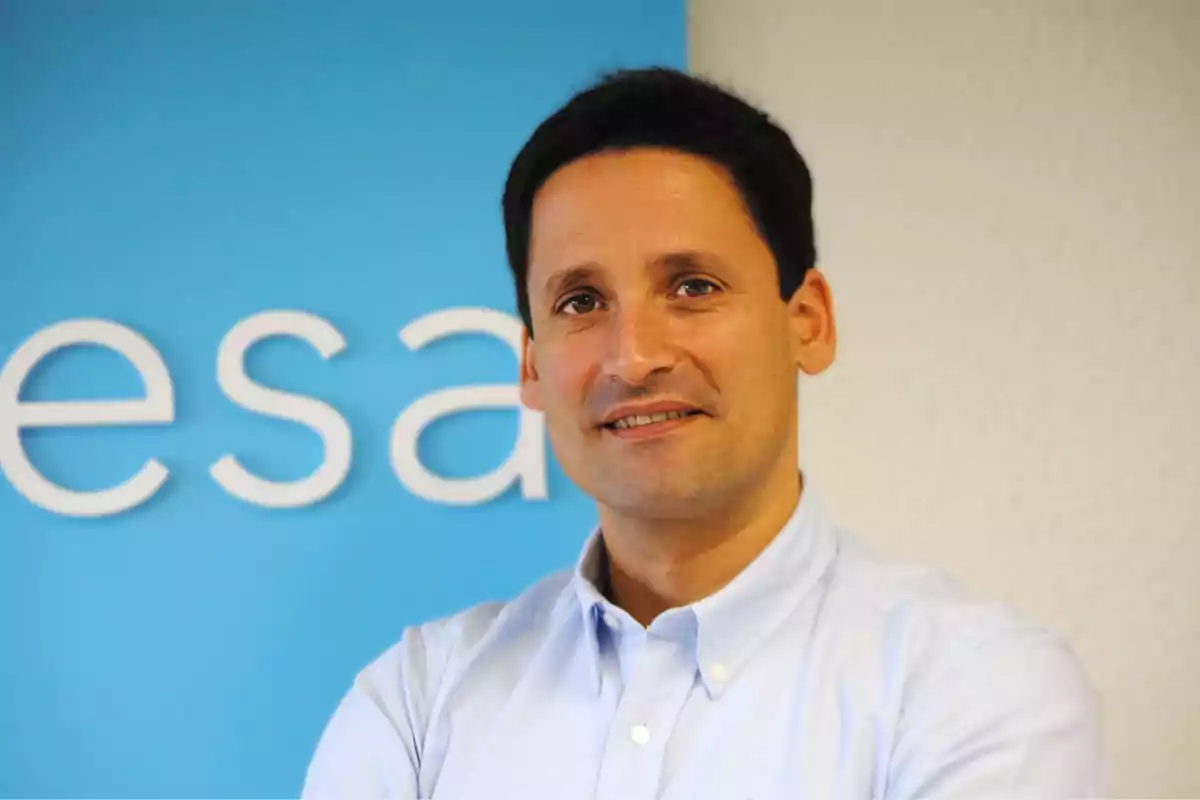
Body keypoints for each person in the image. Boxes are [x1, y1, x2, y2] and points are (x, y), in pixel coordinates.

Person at [302, 67, 1104, 799]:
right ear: (531, 364)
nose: (635, 356)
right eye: (581, 302)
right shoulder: (418, 699)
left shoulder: (976, 687)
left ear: (808, 322)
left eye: (692, 286)